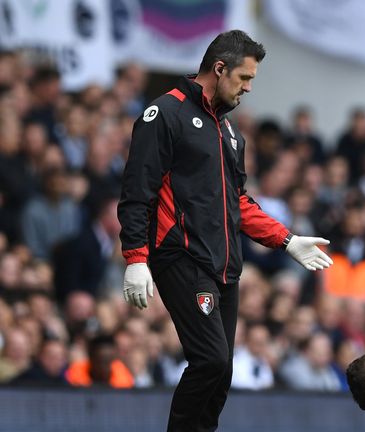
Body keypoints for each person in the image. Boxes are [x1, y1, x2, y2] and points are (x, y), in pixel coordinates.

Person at [118, 30, 333, 431]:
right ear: (219, 68)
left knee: (222, 373)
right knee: (211, 360)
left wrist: (286, 240)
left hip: (225, 265)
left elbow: (239, 204)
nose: (249, 88)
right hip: (179, 255)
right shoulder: (165, 114)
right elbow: (137, 192)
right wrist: (135, 258)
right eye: (244, 78)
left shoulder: (231, 133)